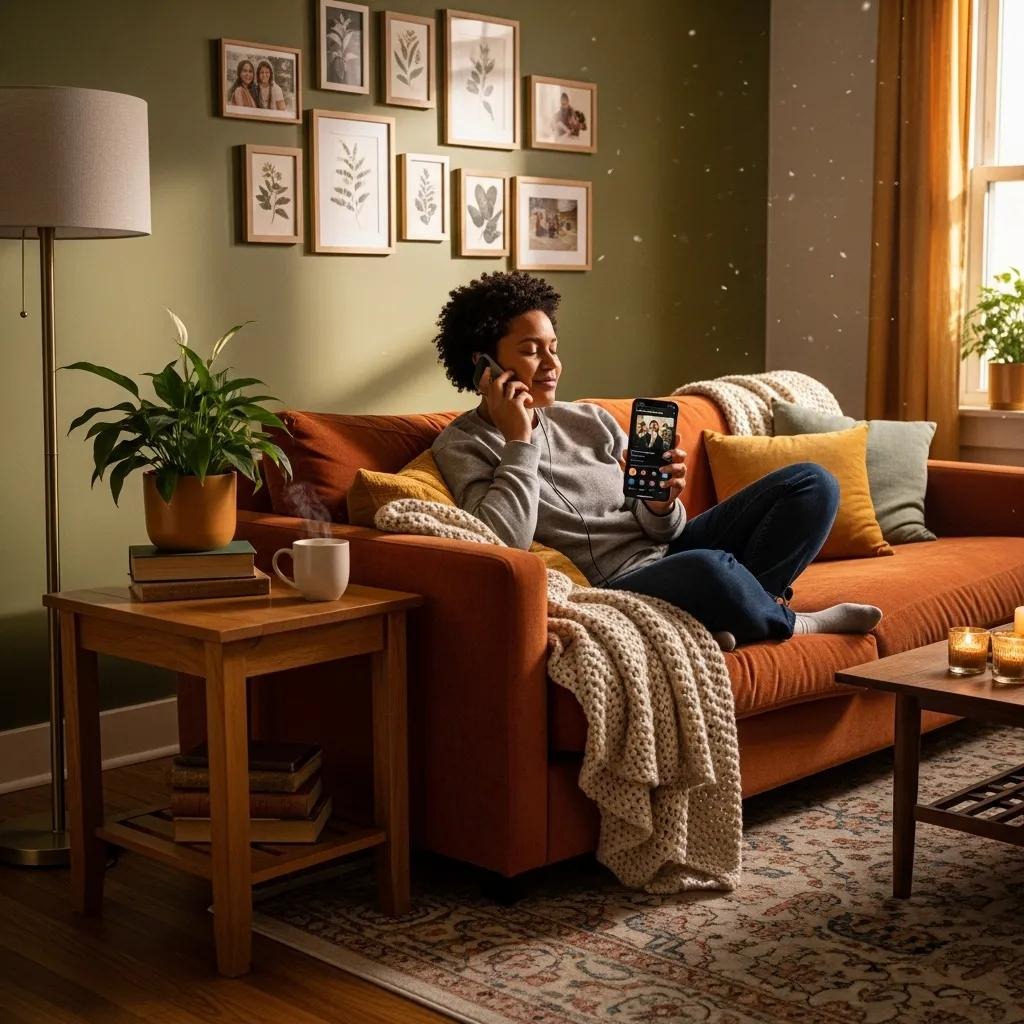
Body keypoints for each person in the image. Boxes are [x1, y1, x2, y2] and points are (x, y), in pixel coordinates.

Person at [430, 271, 882, 650]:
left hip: (671, 556)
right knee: (710, 567)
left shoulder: (589, 419)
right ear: (483, 364)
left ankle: (734, 616)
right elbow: (503, 544)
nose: (552, 363)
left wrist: (664, 503)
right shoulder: (462, 447)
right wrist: (519, 442)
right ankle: (792, 621)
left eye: (553, 346)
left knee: (812, 483)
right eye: (531, 350)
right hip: (610, 588)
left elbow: (667, 533)